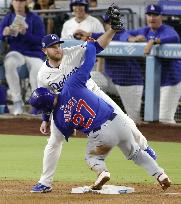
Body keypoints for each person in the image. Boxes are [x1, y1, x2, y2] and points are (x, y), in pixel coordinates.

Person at [30, 6, 156, 193]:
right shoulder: (43, 75)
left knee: (124, 118)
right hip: (66, 106)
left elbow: (97, 46)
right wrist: (45, 120)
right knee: (53, 141)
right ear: (44, 51)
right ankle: (45, 182)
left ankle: (145, 148)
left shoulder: (72, 52)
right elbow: (46, 99)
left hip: (92, 92)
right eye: (53, 47)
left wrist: (112, 30)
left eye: (58, 45)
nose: (58, 49)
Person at [75, 15, 144, 123]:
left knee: (134, 121)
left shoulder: (123, 33)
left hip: (130, 83)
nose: (111, 25)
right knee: (92, 77)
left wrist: (133, 39)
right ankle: (94, 116)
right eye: (108, 22)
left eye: (114, 22)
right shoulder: (103, 36)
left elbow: (125, 37)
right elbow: (95, 36)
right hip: (111, 81)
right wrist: (85, 34)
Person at [127, 4, 181, 124]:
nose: (152, 18)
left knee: (164, 119)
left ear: (161, 17)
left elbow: (174, 37)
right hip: (154, 83)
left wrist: (153, 41)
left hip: (171, 81)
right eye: (150, 15)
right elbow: (125, 33)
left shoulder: (167, 30)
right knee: (153, 119)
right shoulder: (144, 30)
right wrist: (132, 39)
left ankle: (172, 140)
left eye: (155, 15)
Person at [0, 0, 45, 115]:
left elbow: (41, 41)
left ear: (25, 3)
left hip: (34, 53)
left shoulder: (35, 18)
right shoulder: (8, 17)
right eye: (16, 1)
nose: (18, 4)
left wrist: (26, 33)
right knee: (9, 63)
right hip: (16, 52)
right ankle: (17, 102)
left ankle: (37, 104)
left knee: (37, 69)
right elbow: (0, 35)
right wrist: (3, 33)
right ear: (12, 3)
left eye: (21, 1)